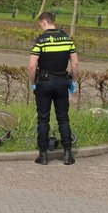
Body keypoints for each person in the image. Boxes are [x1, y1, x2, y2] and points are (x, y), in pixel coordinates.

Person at [28, 12, 80, 165]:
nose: (40, 27)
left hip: (44, 83)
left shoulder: (41, 40)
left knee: (43, 118)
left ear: (44, 22)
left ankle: (43, 156)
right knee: (63, 118)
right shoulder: (67, 39)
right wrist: (74, 81)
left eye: (40, 24)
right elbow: (75, 64)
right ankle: (67, 154)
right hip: (62, 83)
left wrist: (33, 83)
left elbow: (32, 65)